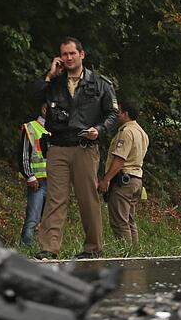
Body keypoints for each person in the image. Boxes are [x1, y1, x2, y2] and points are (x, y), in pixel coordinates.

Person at [31, 37, 118, 259]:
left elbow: (112, 114)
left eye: (72, 53)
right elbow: (34, 96)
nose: (68, 58)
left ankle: (93, 248)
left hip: (85, 147)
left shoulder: (100, 84)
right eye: (64, 54)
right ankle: (49, 249)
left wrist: (99, 130)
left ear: (82, 54)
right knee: (55, 198)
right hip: (58, 146)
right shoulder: (55, 84)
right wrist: (50, 75)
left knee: (88, 198)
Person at [98, 97, 149, 245]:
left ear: (125, 114)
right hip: (136, 180)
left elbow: (119, 159)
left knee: (120, 222)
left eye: (119, 112)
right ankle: (134, 252)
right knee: (130, 220)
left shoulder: (126, 132)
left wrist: (106, 180)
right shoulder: (142, 133)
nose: (117, 116)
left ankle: (125, 255)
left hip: (123, 182)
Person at [17, 104, 50, 247]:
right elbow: (23, 154)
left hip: (54, 182)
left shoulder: (56, 130)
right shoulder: (30, 127)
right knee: (33, 219)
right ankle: (26, 248)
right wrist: (29, 176)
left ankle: (41, 249)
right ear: (44, 109)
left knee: (48, 220)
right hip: (38, 182)